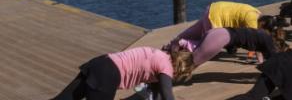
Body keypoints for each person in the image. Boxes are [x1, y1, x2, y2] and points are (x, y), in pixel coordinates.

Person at [54, 46, 190, 100]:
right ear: (180, 69)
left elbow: (157, 93)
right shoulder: (166, 67)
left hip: (100, 62)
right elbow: (168, 97)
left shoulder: (160, 55)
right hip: (108, 76)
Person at [176, 27, 285, 70]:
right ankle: (167, 72)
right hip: (221, 37)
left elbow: (261, 53)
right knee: (192, 63)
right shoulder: (268, 41)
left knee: (196, 50)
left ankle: (180, 44)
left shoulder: (262, 34)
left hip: (220, 31)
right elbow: (274, 60)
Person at [172, 1, 276, 45]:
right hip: (215, 17)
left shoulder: (257, 12)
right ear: (262, 23)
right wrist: (261, 61)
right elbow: (256, 43)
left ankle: (176, 40)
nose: (262, 32)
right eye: (263, 30)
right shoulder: (252, 22)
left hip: (214, 8)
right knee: (206, 43)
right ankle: (183, 44)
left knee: (196, 30)